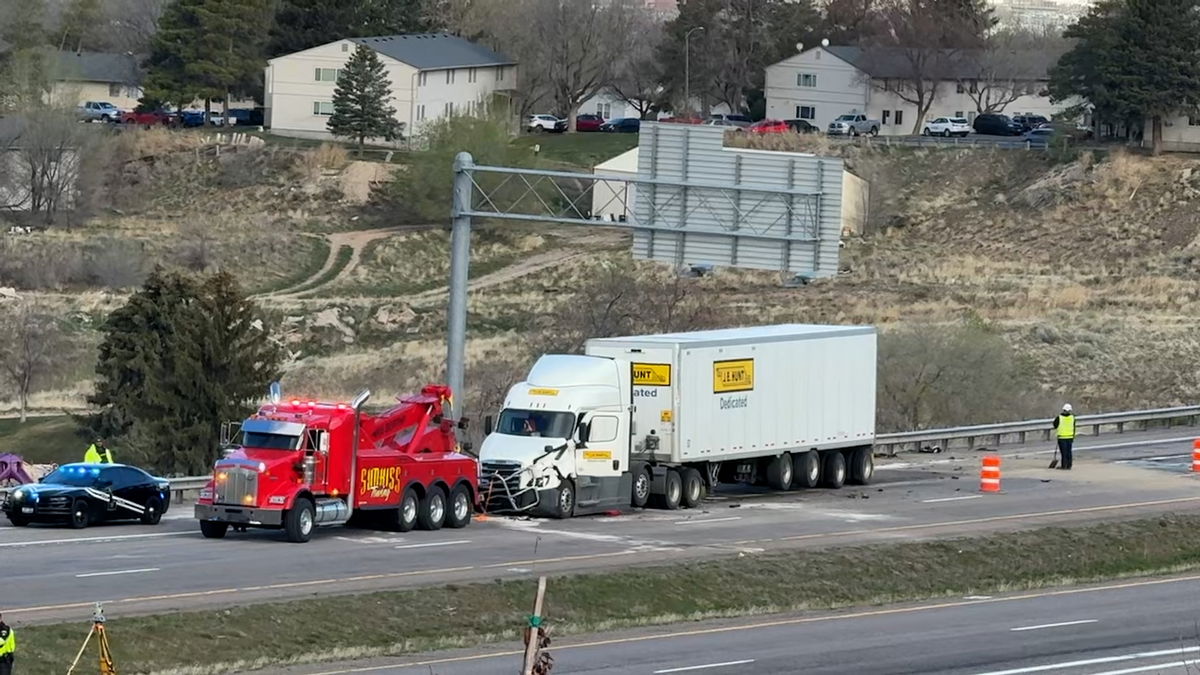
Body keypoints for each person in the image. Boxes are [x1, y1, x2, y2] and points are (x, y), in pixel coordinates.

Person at [1053, 404, 1076, 470]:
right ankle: (1069, 465)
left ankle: (1064, 466)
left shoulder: (1059, 418)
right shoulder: (1072, 417)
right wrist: (1073, 436)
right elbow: (1074, 427)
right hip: (1070, 437)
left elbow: (1055, 425)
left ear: (1063, 410)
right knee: (1069, 452)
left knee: (1064, 453)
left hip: (1062, 438)